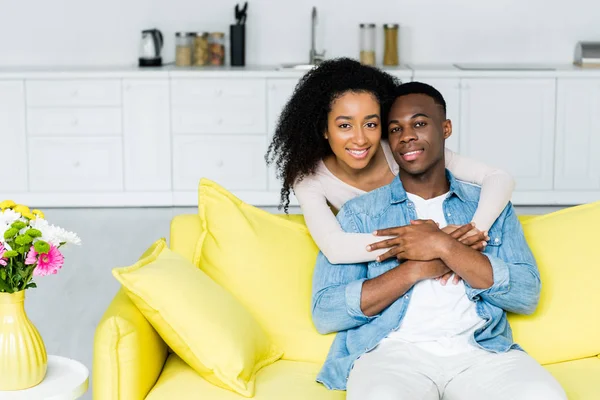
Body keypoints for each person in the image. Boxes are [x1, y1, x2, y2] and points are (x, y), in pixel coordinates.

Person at [311, 81, 567, 399]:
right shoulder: (359, 214)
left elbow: (526, 295)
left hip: (482, 354)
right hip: (392, 358)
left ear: (445, 128)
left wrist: (445, 246)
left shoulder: (487, 206)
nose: (406, 136)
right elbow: (326, 313)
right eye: (394, 129)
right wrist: (417, 268)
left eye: (419, 123)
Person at [266, 58, 515, 287]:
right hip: (386, 271)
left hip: (447, 263)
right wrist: (430, 244)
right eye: (344, 125)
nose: (360, 139)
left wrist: (469, 233)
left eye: (371, 124)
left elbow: (498, 178)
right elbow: (334, 246)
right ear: (324, 129)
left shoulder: (400, 149)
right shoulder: (309, 179)